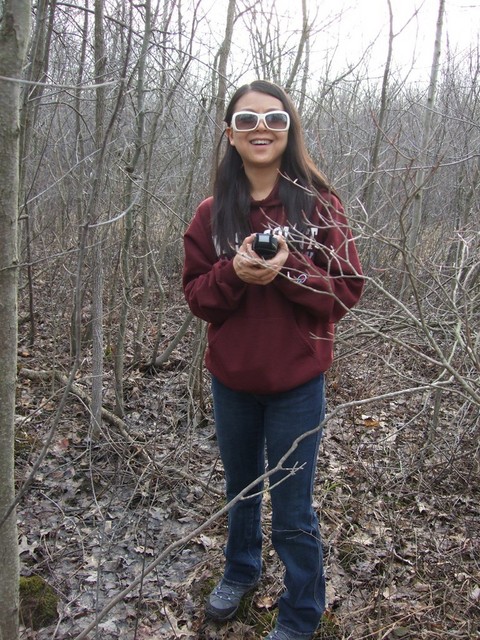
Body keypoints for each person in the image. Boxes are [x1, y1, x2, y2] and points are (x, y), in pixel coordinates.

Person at [182, 80, 363, 640]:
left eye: (275, 120)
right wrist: (235, 272)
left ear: (290, 131)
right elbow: (197, 297)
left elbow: (346, 291)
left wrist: (289, 270)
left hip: (296, 384)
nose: (261, 129)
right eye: (247, 121)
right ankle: (240, 570)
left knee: (292, 508)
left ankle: (302, 612)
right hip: (232, 381)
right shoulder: (213, 213)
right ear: (230, 135)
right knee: (240, 490)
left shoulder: (318, 207)